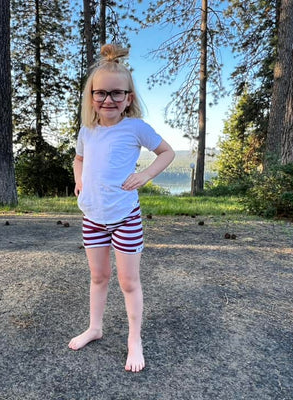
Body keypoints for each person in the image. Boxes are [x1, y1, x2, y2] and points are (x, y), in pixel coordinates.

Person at [68, 43, 175, 373]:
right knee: (98, 276)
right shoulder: (88, 130)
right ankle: (95, 328)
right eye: (100, 93)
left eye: (117, 94)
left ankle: (134, 339)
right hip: (92, 217)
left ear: (129, 97)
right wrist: (79, 180)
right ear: (91, 97)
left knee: (129, 282)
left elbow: (167, 152)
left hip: (125, 217)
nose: (108, 100)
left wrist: (144, 175)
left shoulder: (135, 128)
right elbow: (79, 159)